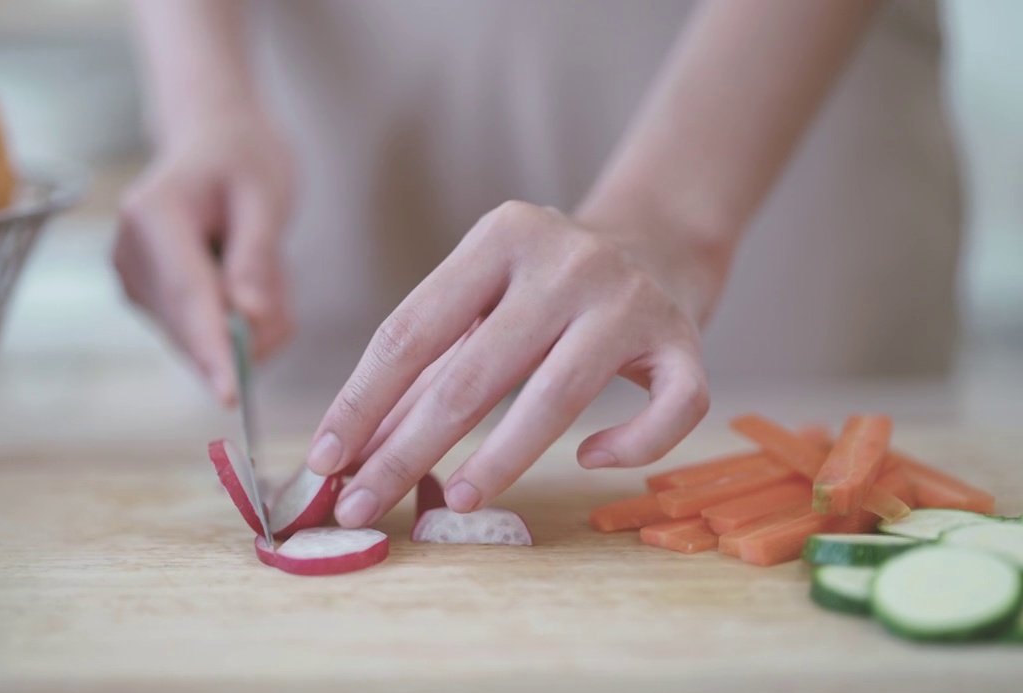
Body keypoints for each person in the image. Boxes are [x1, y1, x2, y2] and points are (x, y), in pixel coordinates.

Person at [115, 0, 961, 529]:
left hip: (757, 86)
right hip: (333, 89)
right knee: (346, 440)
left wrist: (671, 218)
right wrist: (205, 104)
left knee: (796, 494)